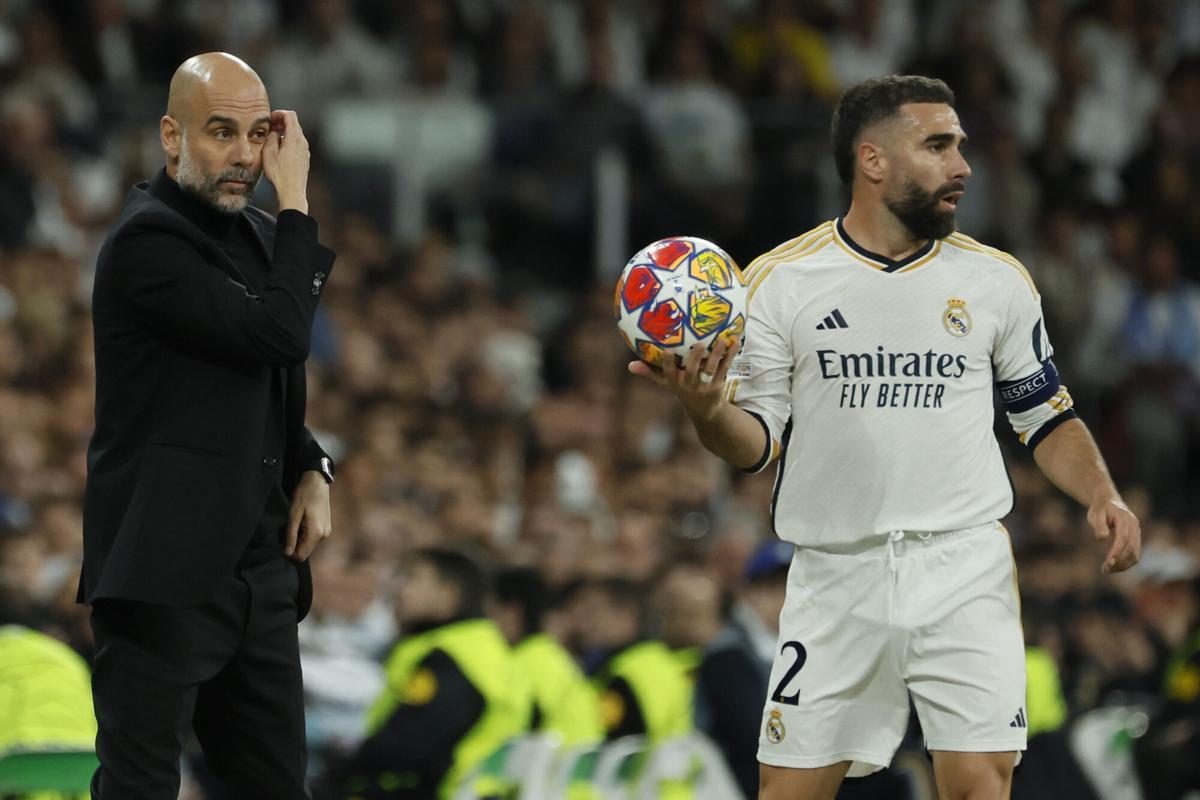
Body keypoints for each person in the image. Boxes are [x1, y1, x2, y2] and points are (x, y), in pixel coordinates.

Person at [630, 74, 1142, 800]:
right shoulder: (779, 282)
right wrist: (706, 408)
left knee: (977, 787)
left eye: (959, 145)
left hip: (964, 564)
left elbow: (1045, 414)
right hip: (837, 571)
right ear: (872, 161)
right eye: (938, 146)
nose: (962, 165)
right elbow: (756, 446)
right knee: (787, 792)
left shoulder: (998, 282)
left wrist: (1102, 494)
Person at [80, 52, 336, 797]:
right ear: (170, 135)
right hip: (163, 572)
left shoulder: (258, 238)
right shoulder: (147, 241)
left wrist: (314, 466)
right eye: (222, 132)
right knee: (140, 788)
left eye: (259, 136)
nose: (246, 157)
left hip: (259, 573)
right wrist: (297, 202)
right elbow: (280, 336)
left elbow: (269, 382)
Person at [337, 546, 532, 799]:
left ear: (448, 593)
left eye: (412, 577)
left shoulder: (452, 659)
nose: (399, 589)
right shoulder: (486, 648)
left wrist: (337, 767)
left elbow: (402, 746)